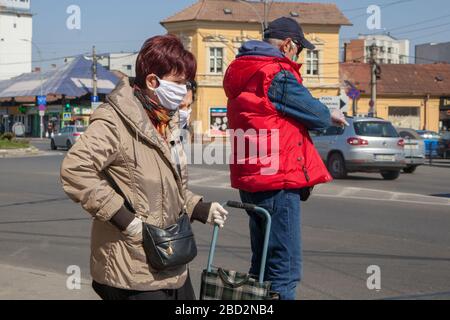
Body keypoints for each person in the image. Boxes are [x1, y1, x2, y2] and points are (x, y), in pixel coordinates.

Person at [60, 35, 228, 300]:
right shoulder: (114, 121)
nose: (184, 91)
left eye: (187, 83)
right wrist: (127, 222)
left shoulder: (165, 122)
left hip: (170, 258)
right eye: (179, 83)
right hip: (131, 269)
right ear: (152, 81)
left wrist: (198, 207)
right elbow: (75, 170)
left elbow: (165, 186)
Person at [223, 17, 347, 300]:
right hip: (278, 179)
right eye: (299, 51)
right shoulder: (276, 74)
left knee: (261, 263)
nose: (297, 57)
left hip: (251, 178)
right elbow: (315, 114)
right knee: (284, 269)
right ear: (289, 45)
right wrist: (329, 115)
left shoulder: (241, 71)